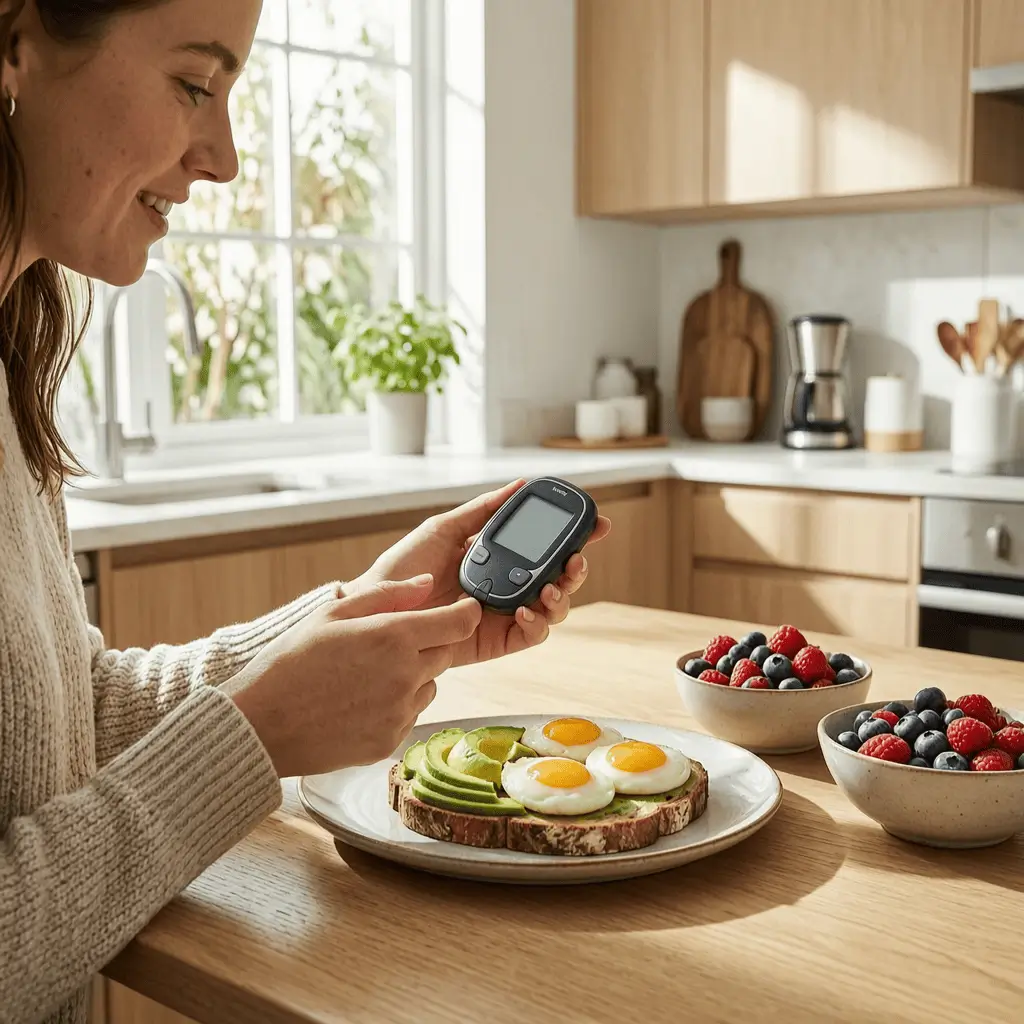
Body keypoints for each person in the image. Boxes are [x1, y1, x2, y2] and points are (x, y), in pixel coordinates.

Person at [0, 2, 611, 1022]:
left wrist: (379, 607)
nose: (227, 157)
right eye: (196, 85)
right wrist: (253, 738)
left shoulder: (13, 368)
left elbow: (62, 723)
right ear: (15, 41)